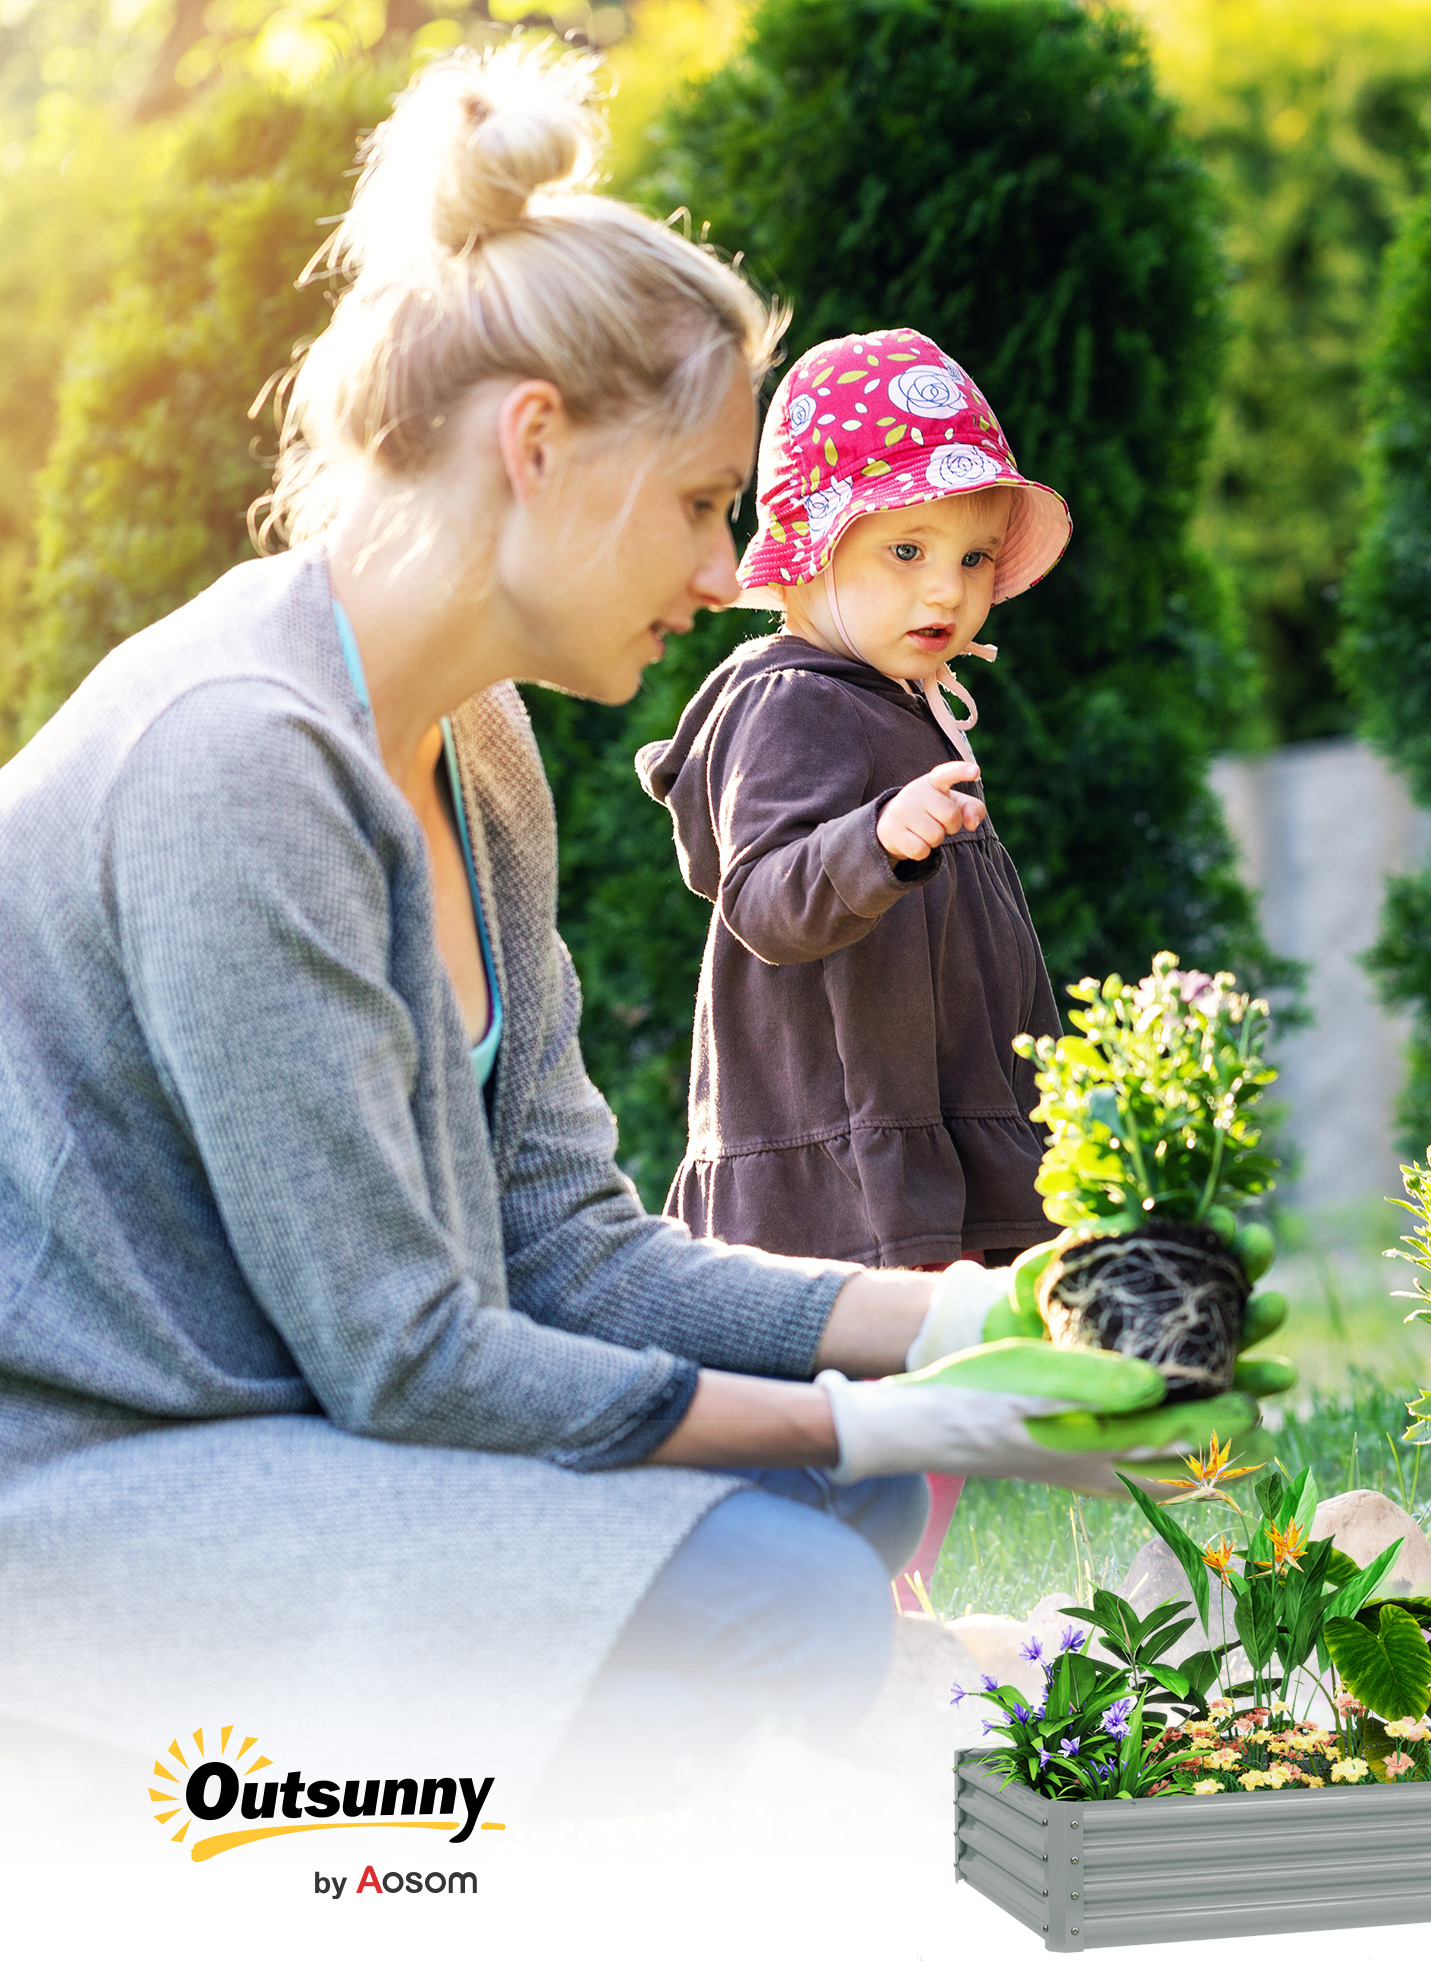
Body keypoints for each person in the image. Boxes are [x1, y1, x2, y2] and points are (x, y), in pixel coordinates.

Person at [0, 44, 1139, 1780]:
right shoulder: (241, 758)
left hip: (317, 1424)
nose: (723, 573)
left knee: (851, 1502)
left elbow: (568, 1246)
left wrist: (966, 1324)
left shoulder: (485, 748)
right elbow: (408, 1357)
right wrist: (863, 1412)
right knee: (795, 1583)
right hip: (96, 1483)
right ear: (534, 444)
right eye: (699, 504)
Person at [635, 328, 1071, 1602]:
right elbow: (767, 896)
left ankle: (886, 1587)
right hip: (836, 1133)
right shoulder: (790, 700)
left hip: (908, 1114)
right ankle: (853, 1590)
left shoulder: (885, 686)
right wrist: (874, 838)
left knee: (925, 1383)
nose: (947, 590)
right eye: (904, 551)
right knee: (874, 1390)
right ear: (809, 552)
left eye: (972, 556)